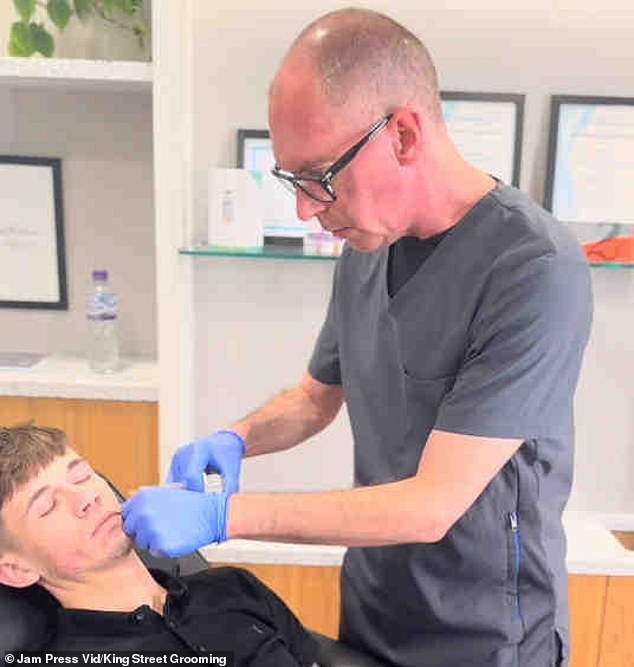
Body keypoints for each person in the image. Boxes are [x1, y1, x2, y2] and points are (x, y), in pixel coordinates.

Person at [122, 8, 593, 667]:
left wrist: (224, 516)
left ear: (403, 134)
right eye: (292, 180)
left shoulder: (532, 268)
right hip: (373, 611)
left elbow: (433, 505)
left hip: (483, 638)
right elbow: (316, 397)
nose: (305, 209)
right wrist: (235, 438)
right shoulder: (368, 245)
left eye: (319, 177)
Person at [0, 424, 320, 666]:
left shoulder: (233, 586)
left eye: (83, 476)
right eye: (47, 507)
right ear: (16, 569)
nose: (86, 498)